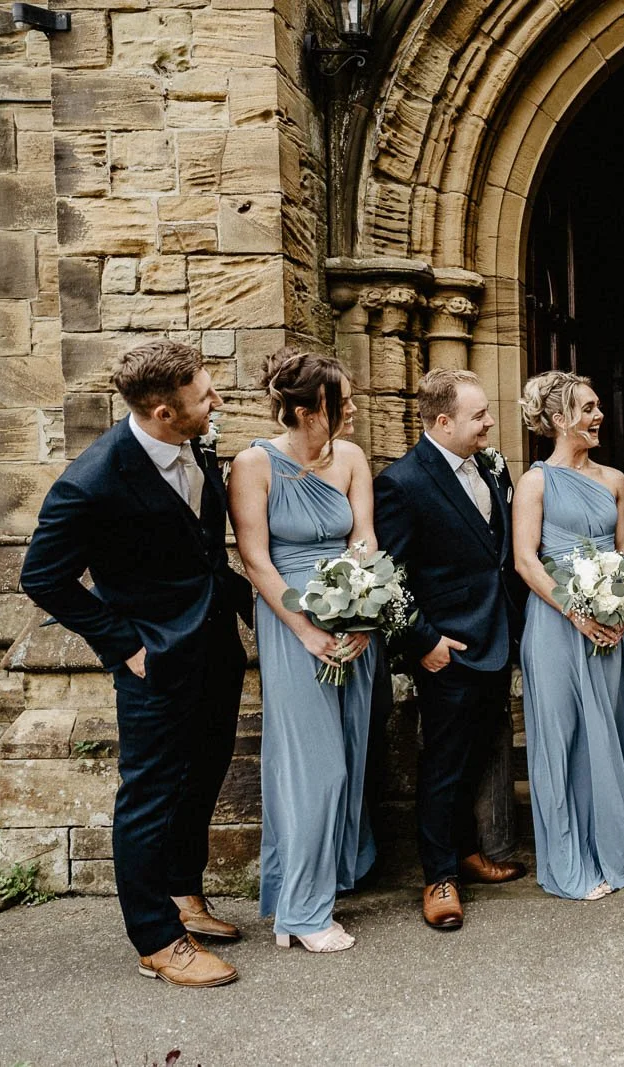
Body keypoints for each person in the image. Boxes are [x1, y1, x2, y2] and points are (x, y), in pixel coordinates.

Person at [21, 340, 252, 987]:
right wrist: (123, 644)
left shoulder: (196, 445)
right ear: (161, 412)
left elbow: (206, 550)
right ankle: (156, 938)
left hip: (214, 647)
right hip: (152, 659)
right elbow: (43, 577)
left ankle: (183, 891)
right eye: (205, 397)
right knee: (148, 794)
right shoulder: (92, 482)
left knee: (205, 768)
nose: (217, 402)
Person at [227, 351, 377, 953]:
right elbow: (255, 559)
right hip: (292, 624)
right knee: (314, 768)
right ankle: (305, 911)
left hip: (351, 620)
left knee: (349, 759)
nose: (355, 409)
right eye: (344, 401)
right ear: (312, 408)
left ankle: (306, 897)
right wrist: (306, 630)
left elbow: (363, 535)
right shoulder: (254, 464)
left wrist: (363, 608)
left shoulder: (351, 458)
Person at [375, 369, 527, 931]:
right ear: (443, 421)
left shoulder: (491, 464)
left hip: (496, 634)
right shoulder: (403, 482)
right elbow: (389, 575)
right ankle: (437, 875)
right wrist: (423, 642)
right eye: (480, 415)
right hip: (450, 645)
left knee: (478, 754)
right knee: (442, 763)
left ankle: (466, 852)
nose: (490, 422)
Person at [512, 371, 624, 900]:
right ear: (559, 420)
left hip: (609, 624)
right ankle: (569, 863)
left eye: (597, 407)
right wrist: (576, 613)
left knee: (608, 732)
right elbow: (526, 561)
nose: (599, 416)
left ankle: (610, 847)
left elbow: (622, 553)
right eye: (589, 408)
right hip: (556, 625)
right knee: (563, 737)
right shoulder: (533, 483)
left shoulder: (615, 479)